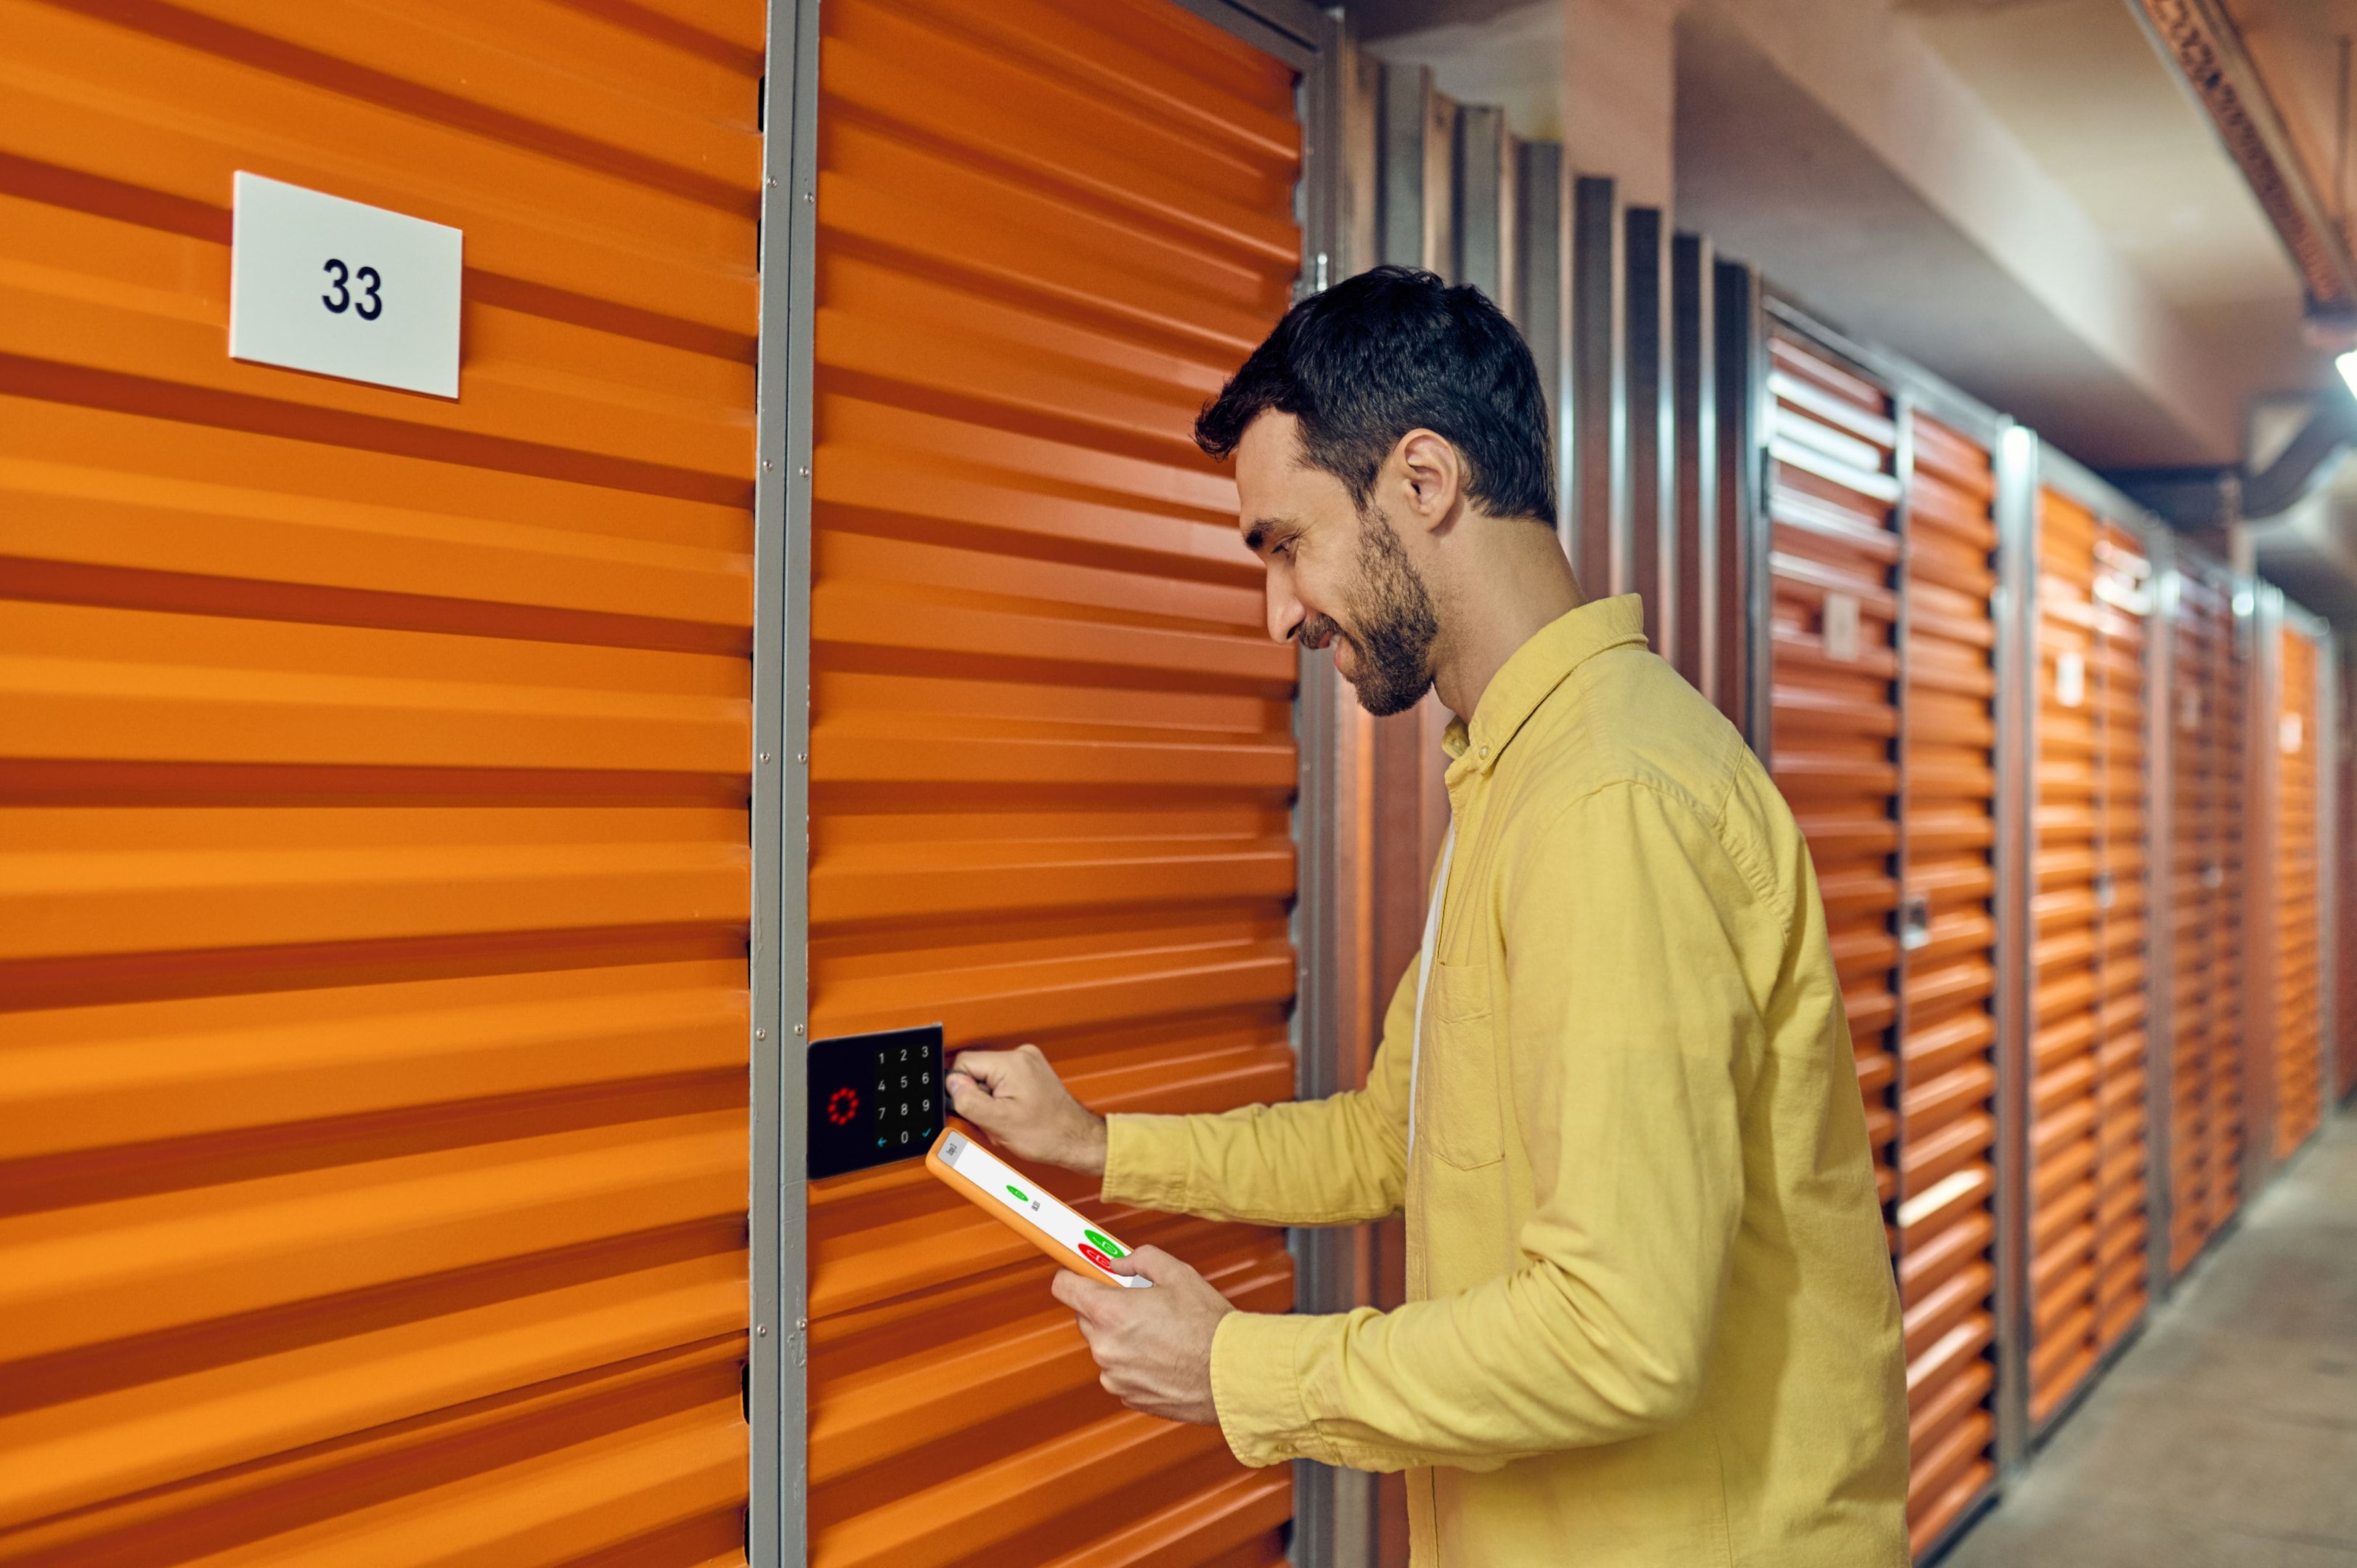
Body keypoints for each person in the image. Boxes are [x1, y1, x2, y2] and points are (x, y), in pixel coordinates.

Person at [945, 265, 1909, 1566]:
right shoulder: (1520, 771)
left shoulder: (1602, 799)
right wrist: (1097, 1146)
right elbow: (1395, 1143)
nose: (1278, 610)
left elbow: (1618, 1337)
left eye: (1285, 542)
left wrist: (1242, 1370)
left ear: (1422, 480)